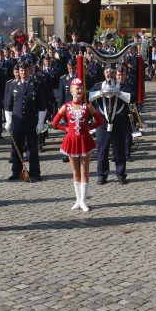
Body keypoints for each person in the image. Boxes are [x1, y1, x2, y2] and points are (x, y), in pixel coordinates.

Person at [52, 78, 104, 212]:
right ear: (71, 90)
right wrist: (66, 129)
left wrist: (89, 128)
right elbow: (54, 123)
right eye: (77, 88)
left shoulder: (87, 106)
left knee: (85, 170)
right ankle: (77, 199)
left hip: (85, 140)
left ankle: (83, 200)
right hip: (71, 140)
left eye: (81, 88)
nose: (79, 90)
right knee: (75, 171)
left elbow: (99, 120)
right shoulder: (66, 106)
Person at [4, 60, 47, 181]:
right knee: (16, 148)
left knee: (33, 149)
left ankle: (35, 172)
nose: (23, 73)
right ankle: (16, 171)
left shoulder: (36, 85)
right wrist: (8, 121)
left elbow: (42, 106)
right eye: (21, 70)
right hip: (17, 123)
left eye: (26, 70)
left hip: (31, 123)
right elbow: (8, 105)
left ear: (30, 70)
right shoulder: (13, 85)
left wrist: (40, 123)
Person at [90, 66, 131, 185]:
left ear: (115, 74)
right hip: (102, 124)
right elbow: (88, 96)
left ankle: (121, 174)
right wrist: (100, 93)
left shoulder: (122, 86)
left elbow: (131, 97)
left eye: (112, 73)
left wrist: (118, 93)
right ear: (104, 73)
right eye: (107, 72)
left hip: (119, 123)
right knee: (102, 151)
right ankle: (102, 175)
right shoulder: (99, 85)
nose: (110, 75)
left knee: (119, 150)